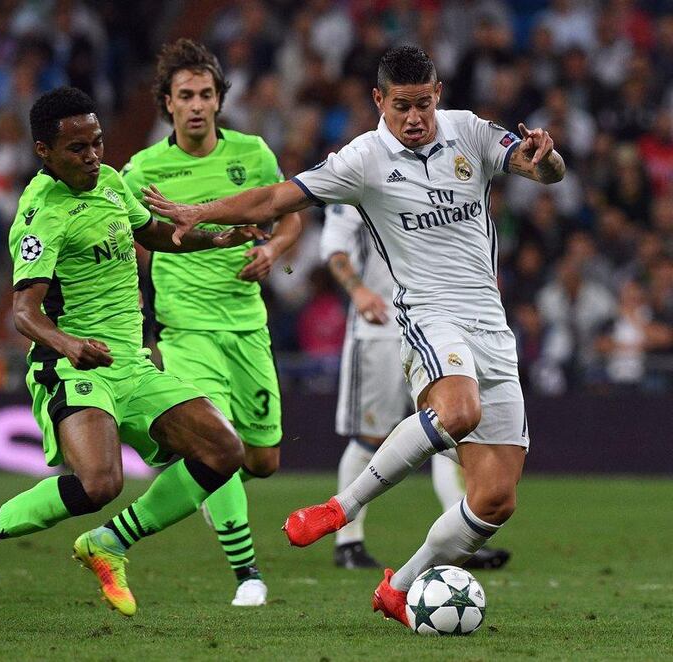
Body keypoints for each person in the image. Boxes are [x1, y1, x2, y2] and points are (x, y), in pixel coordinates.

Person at [143, 45, 565, 628]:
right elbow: (273, 199)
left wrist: (547, 159)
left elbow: (540, 169)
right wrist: (198, 212)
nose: (414, 118)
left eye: (423, 104)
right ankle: (342, 508)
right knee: (458, 410)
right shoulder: (364, 158)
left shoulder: (469, 133)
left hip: (491, 322)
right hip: (425, 312)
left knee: (495, 498)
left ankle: (403, 586)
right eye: (401, 106)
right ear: (378, 101)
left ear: (438, 94)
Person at [0, 86, 267, 617]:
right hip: (70, 364)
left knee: (224, 450)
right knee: (100, 482)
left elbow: (151, 232)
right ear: (45, 152)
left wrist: (217, 239)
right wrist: (70, 344)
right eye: (77, 149)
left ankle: (110, 544)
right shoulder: (40, 214)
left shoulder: (110, 183)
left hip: (130, 361)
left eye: (97, 144)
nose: (93, 157)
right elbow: (23, 312)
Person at [121, 39, 301, 607]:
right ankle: (247, 574)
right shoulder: (143, 171)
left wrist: (274, 252)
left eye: (205, 94)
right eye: (184, 96)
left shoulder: (253, 154)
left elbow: (289, 217)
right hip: (186, 329)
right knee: (215, 444)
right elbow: (132, 247)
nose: (196, 105)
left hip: (248, 325)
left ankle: (194, 486)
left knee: (262, 461)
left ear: (220, 100)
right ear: (166, 105)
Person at [321, 203, 510, 570]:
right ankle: (348, 541)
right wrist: (358, 291)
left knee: (447, 427)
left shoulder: (434, 176)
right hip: (379, 329)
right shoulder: (355, 175)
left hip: (436, 326)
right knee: (370, 437)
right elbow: (333, 246)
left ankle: (460, 540)